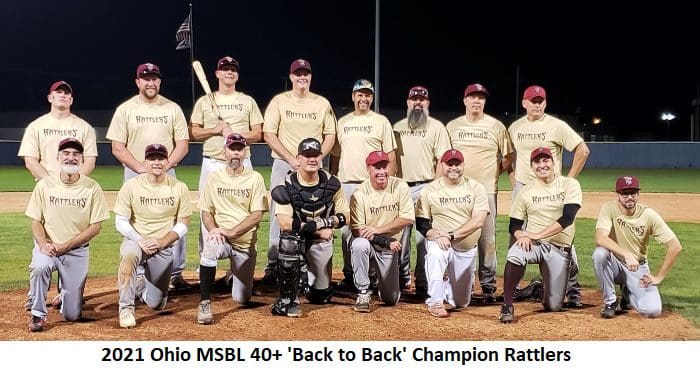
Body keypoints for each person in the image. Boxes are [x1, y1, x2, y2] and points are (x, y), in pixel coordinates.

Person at [106, 62, 191, 290]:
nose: (150, 82)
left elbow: (183, 144)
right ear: (138, 82)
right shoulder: (126, 109)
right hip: (135, 173)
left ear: (159, 82)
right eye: (146, 78)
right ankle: (141, 272)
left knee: (175, 219)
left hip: (166, 169)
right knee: (136, 219)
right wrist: (142, 169)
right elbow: (117, 147)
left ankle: (176, 273)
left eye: (154, 78)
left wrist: (163, 165)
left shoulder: (172, 108)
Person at [18, 80, 99, 311]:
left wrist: (74, 183)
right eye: (58, 92)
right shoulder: (37, 125)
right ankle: (35, 295)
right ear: (50, 97)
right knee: (43, 240)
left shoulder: (83, 127)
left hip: (76, 188)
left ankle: (66, 292)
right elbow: (30, 159)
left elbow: (90, 160)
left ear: (71, 100)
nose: (62, 95)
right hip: (46, 187)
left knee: (73, 234)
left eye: (66, 93)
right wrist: (51, 183)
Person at [508, 85, 591, 307]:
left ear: (545, 103)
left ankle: (573, 290)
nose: (537, 104)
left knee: (562, 237)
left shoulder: (557, 126)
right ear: (524, 103)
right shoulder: (516, 127)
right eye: (532, 100)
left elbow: (583, 150)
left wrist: (569, 181)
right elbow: (509, 155)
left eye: (541, 100)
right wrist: (512, 177)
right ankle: (513, 289)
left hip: (553, 188)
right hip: (525, 188)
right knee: (517, 235)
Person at [189, 56, 264, 284]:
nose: (229, 73)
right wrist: (215, 129)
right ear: (217, 74)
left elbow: (258, 133)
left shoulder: (247, 101)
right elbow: (194, 132)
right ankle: (208, 261)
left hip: (242, 162)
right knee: (207, 213)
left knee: (243, 212)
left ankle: (236, 269)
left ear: (237, 75)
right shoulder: (204, 101)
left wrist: (236, 136)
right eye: (225, 70)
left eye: (233, 70)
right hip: (213, 161)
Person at [262, 59, 337, 284]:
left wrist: (314, 159)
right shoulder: (279, 101)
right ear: (292, 77)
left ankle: (311, 266)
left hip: (313, 167)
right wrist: (291, 158)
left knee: (316, 212)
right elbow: (269, 134)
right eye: (298, 74)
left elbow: (330, 136)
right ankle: (274, 265)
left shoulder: (322, 103)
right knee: (279, 214)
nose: (302, 77)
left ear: (310, 77)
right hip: (285, 164)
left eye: (306, 73)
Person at [25, 138, 109, 332]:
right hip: (49, 247)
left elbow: (96, 227)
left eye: (76, 154)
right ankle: (37, 314)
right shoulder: (45, 185)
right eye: (66, 153)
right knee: (39, 267)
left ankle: (66, 295)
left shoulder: (92, 188)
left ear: (81, 159)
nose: (71, 157)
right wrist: (43, 244)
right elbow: (35, 221)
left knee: (71, 315)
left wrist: (67, 246)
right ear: (58, 157)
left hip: (77, 252)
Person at [446, 83, 514, 302]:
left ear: (484, 102)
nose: (477, 101)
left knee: (486, 239)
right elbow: (445, 158)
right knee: (459, 235)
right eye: (472, 97)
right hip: (457, 191)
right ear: (465, 100)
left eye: (481, 98)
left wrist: (494, 173)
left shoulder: (496, 126)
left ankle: (487, 286)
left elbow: (508, 157)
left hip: (486, 191)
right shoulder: (452, 127)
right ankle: (458, 281)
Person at [499, 147, 582, 323]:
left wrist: (537, 234)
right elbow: (514, 224)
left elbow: (567, 218)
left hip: (559, 248)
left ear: (554, 163)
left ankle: (539, 289)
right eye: (537, 162)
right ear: (532, 166)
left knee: (553, 306)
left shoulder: (569, 184)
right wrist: (521, 235)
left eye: (546, 160)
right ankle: (507, 305)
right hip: (534, 245)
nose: (542, 165)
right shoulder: (526, 191)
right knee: (515, 253)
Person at [268, 138, 349, 317]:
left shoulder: (332, 183)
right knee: (288, 241)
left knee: (320, 296)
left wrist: (321, 223)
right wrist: (318, 229)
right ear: (298, 158)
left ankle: (306, 279)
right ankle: (288, 299)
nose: (312, 159)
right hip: (298, 238)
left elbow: (345, 217)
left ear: (321, 157)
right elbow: (284, 223)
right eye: (307, 155)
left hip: (319, 242)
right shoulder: (287, 183)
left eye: (315, 155)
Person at [113, 144, 192, 328]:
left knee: (157, 304)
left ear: (168, 162)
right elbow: (121, 221)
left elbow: (183, 224)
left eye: (161, 158)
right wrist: (140, 240)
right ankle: (126, 309)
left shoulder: (179, 187)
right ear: (145, 162)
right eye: (152, 158)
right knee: (129, 254)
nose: (156, 162)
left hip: (163, 247)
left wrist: (162, 241)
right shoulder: (131, 186)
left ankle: (140, 287)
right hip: (136, 242)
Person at [330, 79, 398, 290]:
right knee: (347, 232)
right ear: (353, 97)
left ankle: (373, 276)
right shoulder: (342, 122)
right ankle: (351, 275)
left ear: (372, 98)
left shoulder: (381, 121)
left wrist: (389, 182)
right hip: (346, 184)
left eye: (368, 94)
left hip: (371, 185)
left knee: (372, 231)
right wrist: (333, 179)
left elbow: (391, 155)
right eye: (360, 94)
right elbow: (335, 155)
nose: (364, 98)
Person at [196, 133, 268, 324]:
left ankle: (233, 278)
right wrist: (213, 230)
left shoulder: (255, 178)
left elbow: (257, 214)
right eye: (232, 149)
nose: (235, 153)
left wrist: (232, 232)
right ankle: (204, 303)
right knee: (209, 251)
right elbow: (206, 211)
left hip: (244, 244)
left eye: (239, 149)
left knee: (242, 298)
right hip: (221, 239)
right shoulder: (214, 177)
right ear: (224, 152)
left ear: (246, 152)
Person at [592, 176, 683, 319]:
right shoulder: (609, 208)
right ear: (617, 196)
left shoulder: (648, 215)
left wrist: (659, 277)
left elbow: (675, 246)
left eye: (633, 193)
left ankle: (628, 293)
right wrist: (626, 254)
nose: (629, 197)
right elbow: (600, 238)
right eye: (624, 194)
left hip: (638, 267)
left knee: (652, 311)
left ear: (638, 195)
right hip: (614, 264)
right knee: (599, 254)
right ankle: (610, 301)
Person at [415, 149, 489, 317]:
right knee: (435, 254)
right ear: (441, 165)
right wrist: (435, 234)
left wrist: (451, 235)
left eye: (457, 164)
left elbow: (478, 220)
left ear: (463, 165)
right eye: (449, 164)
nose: (453, 168)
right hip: (440, 242)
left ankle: (448, 285)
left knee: (460, 302)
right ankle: (435, 301)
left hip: (465, 248)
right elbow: (422, 223)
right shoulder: (430, 190)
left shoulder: (476, 188)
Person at [393, 86, 451, 296]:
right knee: (401, 237)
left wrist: (434, 188)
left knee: (424, 237)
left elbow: (442, 160)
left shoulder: (437, 127)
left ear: (428, 103)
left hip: (427, 185)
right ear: (407, 102)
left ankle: (423, 281)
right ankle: (401, 278)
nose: (418, 102)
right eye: (414, 99)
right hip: (402, 187)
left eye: (422, 100)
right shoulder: (397, 127)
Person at [349, 151, 414, 312]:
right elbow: (358, 232)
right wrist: (385, 240)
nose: (381, 172)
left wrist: (378, 230)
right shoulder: (359, 193)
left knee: (391, 299)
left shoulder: (400, 186)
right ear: (368, 169)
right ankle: (363, 291)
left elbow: (407, 219)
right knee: (359, 245)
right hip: (374, 245)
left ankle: (377, 279)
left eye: (384, 166)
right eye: (376, 167)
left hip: (388, 249)